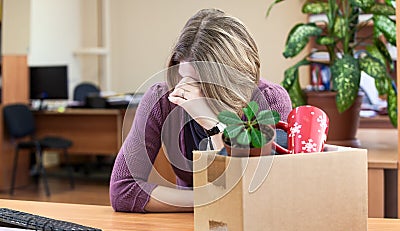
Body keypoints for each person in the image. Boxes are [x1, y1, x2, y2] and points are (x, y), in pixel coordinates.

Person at [109, 8, 292, 213]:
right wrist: (209, 198)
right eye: (184, 76)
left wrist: (213, 124)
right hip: (188, 226)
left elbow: (263, 193)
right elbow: (123, 191)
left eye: (201, 82)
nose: (187, 88)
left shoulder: (270, 100)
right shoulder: (163, 98)